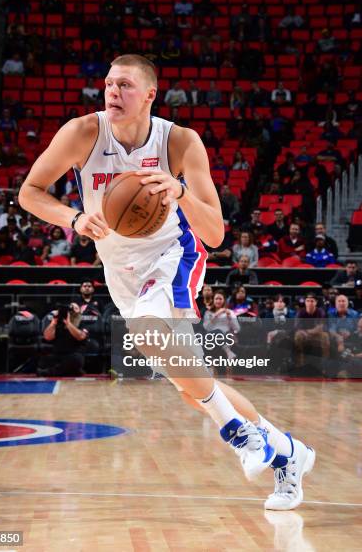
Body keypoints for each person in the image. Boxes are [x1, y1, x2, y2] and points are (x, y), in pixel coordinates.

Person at [19, 53, 315, 510]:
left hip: (172, 255)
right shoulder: (82, 133)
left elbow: (214, 233)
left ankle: (239, 436)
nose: (113, 93)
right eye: (109, 84)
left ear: (151, 95)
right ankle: (286, 453)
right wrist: (73, 218)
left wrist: (177, 191)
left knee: (150, 336)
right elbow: (29, 192)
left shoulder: (179, 141)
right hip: (119, 269)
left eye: (125, 86)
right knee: (192, 386)